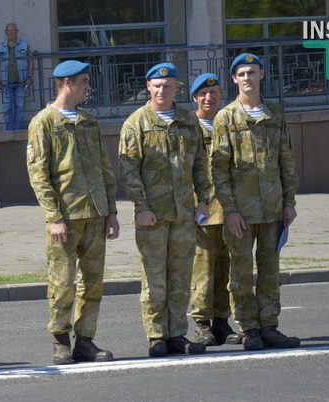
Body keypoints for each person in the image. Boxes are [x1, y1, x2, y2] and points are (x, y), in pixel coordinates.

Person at [26, 60, 119, 365]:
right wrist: (53, 217)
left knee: (92, 283)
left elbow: (104, 168)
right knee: (62, 283)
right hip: (65, 217)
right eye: (84, 82)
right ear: (67, 84)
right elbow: (39, 174)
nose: (88, 88)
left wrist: (111, 211)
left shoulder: (89, 122)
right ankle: (60, 341)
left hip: (94, 213)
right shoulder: (44, 122)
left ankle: (86, 341)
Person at [118, 63, 211, 357]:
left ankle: (176, 335)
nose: (162, 90)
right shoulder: (137, 123)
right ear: (148, 87)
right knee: (154, 278)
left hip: (184, 214)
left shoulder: (187, 120)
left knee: (181, 278)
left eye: (168, 86)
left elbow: (199, 164)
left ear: (177, 88)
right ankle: (156, 336)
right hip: (152, 217)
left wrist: (204, 201)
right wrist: (141, 207)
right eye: (157, 86)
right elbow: (129, 169)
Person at [211, 53, 301, 350]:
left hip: (273, 207)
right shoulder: (226, 117)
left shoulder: (275, 114)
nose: (247, 78)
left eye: (252, 72)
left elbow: (285, 160)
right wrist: (230, 210)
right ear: (234, 79)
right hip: (241, 212)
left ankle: (269, 326)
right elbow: (219, 169)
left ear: (261, 74)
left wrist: (290, 201)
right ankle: (249, 328)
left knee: (269, 271)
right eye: (241, 74)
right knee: (240, 271)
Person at [187, 73, 243, 347]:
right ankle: (202, 324)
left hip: (229, 209)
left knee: (225, 270)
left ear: (221, 95)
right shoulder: (189, 128)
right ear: (195, 97)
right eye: (203, 94)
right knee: (203, 271)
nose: (209, 98)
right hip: (204, 210)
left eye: (214, 93)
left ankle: (222, 322)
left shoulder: (229, 124)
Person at [0, 22, 34, 130]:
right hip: (6, 82)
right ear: (5, 32)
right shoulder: (0, 46)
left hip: (21, 81)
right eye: (8, 30)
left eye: (12, 30)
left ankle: (18, 131)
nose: (10, 32)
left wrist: (30, 77)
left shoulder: (24, 45)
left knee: (20, 108)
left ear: (17, 31)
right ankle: (9, 132)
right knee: (7, 108)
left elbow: (31, 61)